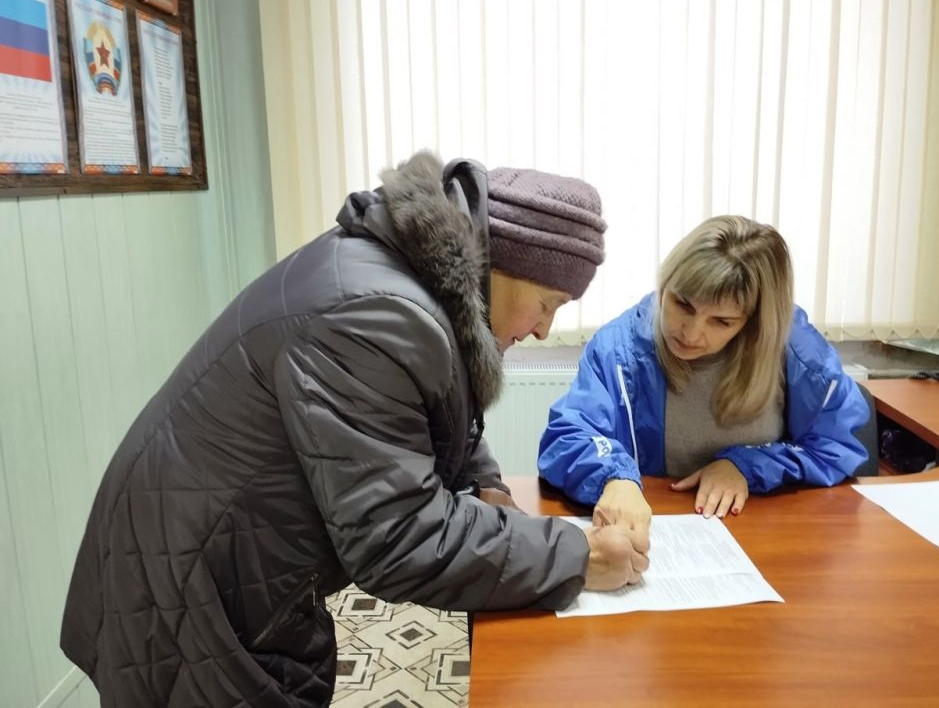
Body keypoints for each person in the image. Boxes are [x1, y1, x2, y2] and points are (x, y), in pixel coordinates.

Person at [60, 152, 649, 707]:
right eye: (547, 303)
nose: (546, 329)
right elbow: (397, 540)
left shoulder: (412, 283)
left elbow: (435, 414)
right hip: (192, 581)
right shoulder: (378, 314)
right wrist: (576, 555)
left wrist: (485, 481)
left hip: (230, 557)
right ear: (501, 268)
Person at [537, 215, 870, 539]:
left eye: (721, 322)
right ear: (665, 285)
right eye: (682, 304)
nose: (691, 333)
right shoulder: (619, 349)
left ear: (752, 324)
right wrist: (615, 478)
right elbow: (568, 434)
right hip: (657, 535)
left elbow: (835, 446)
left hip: (764, 535)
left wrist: (747, 466)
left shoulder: (798, 354)